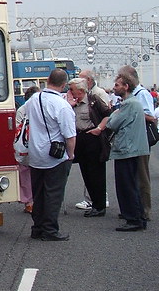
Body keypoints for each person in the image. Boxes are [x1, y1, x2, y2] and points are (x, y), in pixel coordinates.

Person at [90, 73, 148, 231]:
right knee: (132, 184)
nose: (114, 88)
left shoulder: (128, 104)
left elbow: (113, 123)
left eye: (117, 85)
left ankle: (133, 219)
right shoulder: (133, 103)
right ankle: (138, 216)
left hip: (126, 149)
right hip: (132, 148)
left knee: (126, 186)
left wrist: (114, 114)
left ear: (126, 86)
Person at [24, 67, 77, 241]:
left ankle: (37, 227)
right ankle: (50, 230)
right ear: (64, 85)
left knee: (38, 193)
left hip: (35, 153)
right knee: (53, 193)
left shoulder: (33, 99)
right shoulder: (62, 105)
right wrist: (70, 155)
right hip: (54, 156)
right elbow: (69, 135)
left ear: (48, 80)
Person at [67, 78, 109, 217]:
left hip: (92, 137)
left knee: (96, 173)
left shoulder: (93, 100)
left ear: (81, 90)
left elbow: (108, 115)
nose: (70, 92)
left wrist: (99, 128)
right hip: (79, 138)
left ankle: (100, 205)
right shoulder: (71, 103)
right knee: (86, 172)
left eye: (72, 89)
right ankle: (93, 204)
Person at [14, 85, 39, 213]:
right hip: (26, 144)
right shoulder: (22, 110)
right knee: (25, 173)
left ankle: (36, 199)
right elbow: (18, 128)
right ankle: (28, 201)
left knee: (35, 173)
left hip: (37, 144)